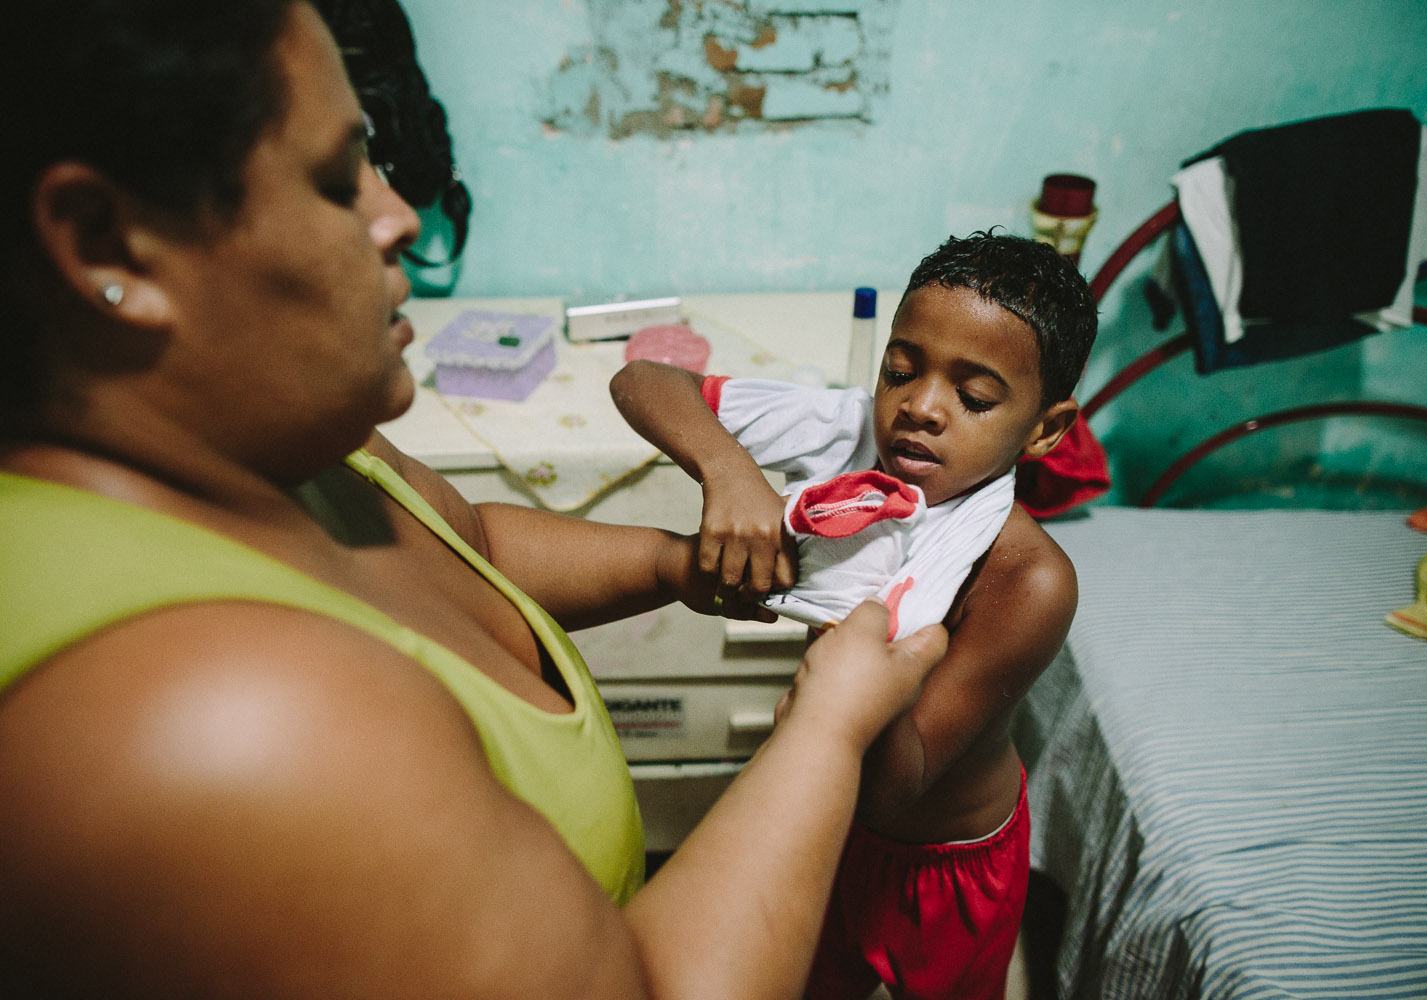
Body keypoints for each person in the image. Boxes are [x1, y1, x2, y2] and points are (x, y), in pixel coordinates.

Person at [0, 2, 948, 997]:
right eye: (335, 180)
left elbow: (472, 544)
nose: (398, 215)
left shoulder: (281, 440)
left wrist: (680, 565)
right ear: (109, 245)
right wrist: (829, 728)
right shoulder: (226, 724)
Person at [611, 231, 1098, 999]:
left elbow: (887, 786)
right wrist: (732, 474)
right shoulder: (851, 434)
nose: (921, 409)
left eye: (973, 397)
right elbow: (644, 380)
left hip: (943, 862)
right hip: (824, 810)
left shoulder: (1026, 581)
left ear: (1045, 428)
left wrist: (853, 611)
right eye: (901, 370)